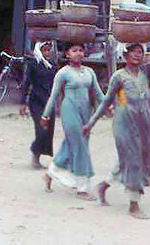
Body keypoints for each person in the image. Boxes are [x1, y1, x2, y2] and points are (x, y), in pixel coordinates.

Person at [83, 18, 150, 219]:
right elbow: (105, 102)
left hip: (142, 123)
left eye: (140, 52)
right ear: (126, 54)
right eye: (134, 52)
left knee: (131, 159)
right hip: (123, 123)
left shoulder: (145, 72)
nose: (138, 55)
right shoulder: (119, 77)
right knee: (133, 160)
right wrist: (91, 123)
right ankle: (133, 204)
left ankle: (104, 186)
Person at [40, 42, 105, 200]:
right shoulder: (63, 73)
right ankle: (82, 189)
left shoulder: (89, 72)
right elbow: (54, 95)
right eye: (74, 50)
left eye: (81, 50)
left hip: (86, 113)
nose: (78, 53)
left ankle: (51, 172)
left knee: (70, 145)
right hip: (69, 110)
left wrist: (109, 105)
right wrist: (45, 115)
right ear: (67, 54)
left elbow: (98, 93)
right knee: (80, 146)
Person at [20, 41, 58, 169]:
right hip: (36, 101)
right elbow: (26, 83)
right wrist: (22, 103)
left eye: (49, 50)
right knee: (41, 130)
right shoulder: (33, 64)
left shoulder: (53, 65)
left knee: (48, 131)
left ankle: (38, 157)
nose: (47, 53)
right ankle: (34, 155)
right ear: (39, 51)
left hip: (49, 102)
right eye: (45, 50)